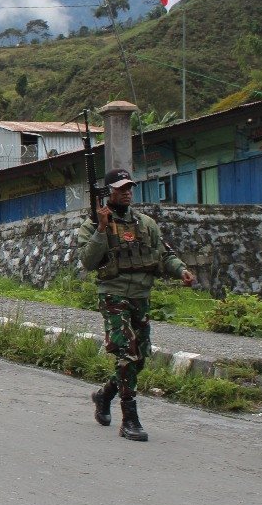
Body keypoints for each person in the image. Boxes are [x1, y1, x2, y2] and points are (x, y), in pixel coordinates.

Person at [78, 169, 194, 442]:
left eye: (130, 187)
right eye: (121, 188)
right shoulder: (93, 225)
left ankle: (104, 395)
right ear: (109, 193)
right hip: (113, 296)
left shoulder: (145, 224)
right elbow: (88, 261)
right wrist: (103, 229)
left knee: (140, 357)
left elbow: (164, 255)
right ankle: (130, 420)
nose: (127, 192)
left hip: (141, 296)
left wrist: (181, 271)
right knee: (126, 353)